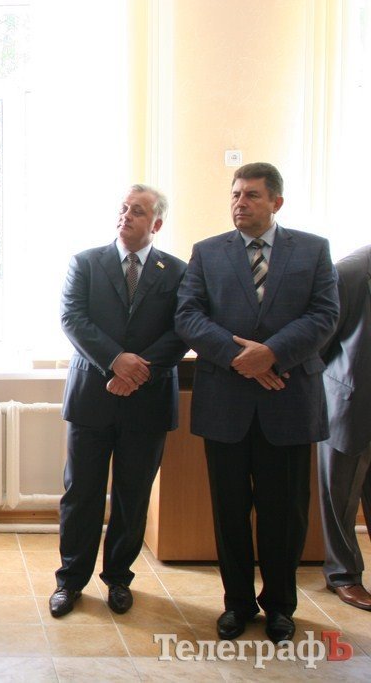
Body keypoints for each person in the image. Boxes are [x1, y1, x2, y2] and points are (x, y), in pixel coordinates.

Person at [175, 162, 339, 643]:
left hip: (288, 402)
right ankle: (237, 604)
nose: (240, 203)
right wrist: (239, 357)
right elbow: (188, 315)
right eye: (235, 195)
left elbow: (325, 315)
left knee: (284, 514)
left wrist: (272, 354)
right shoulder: (208, 253)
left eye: (251, 195)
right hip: (225, 404)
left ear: (276, 202)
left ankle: (281, 608)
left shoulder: (312, 250)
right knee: (228, 512)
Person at [50, 186, 187, 618]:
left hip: (147, 400)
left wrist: (138, 370)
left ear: (157, 224)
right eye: (124, 209)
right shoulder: (87, 263)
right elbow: (73, 318)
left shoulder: (179, 272)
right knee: (81, 494)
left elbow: (183, 329)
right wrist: (116, 361)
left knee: (132, 495)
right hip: (93, 396)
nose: (126, 216)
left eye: (138, 211)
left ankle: (118, 579)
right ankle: (70, 581)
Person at [318, 244, 371, 611]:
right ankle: (343, 575)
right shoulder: (353, 270)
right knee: (340, 495)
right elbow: (321, 338)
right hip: (353, 399)